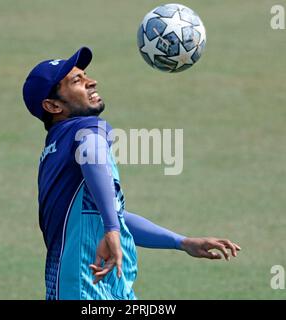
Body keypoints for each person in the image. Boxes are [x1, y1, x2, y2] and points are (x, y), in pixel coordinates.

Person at [22, 47, 241, 300]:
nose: (91, 82)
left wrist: (181, 242)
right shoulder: (85, 129)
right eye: (76, 81)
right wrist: (112, 229)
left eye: (85, 75)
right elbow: (93, 155)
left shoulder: (56, 150)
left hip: (94, 288)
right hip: (85, 290)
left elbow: (110, 215)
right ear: (52, 105)